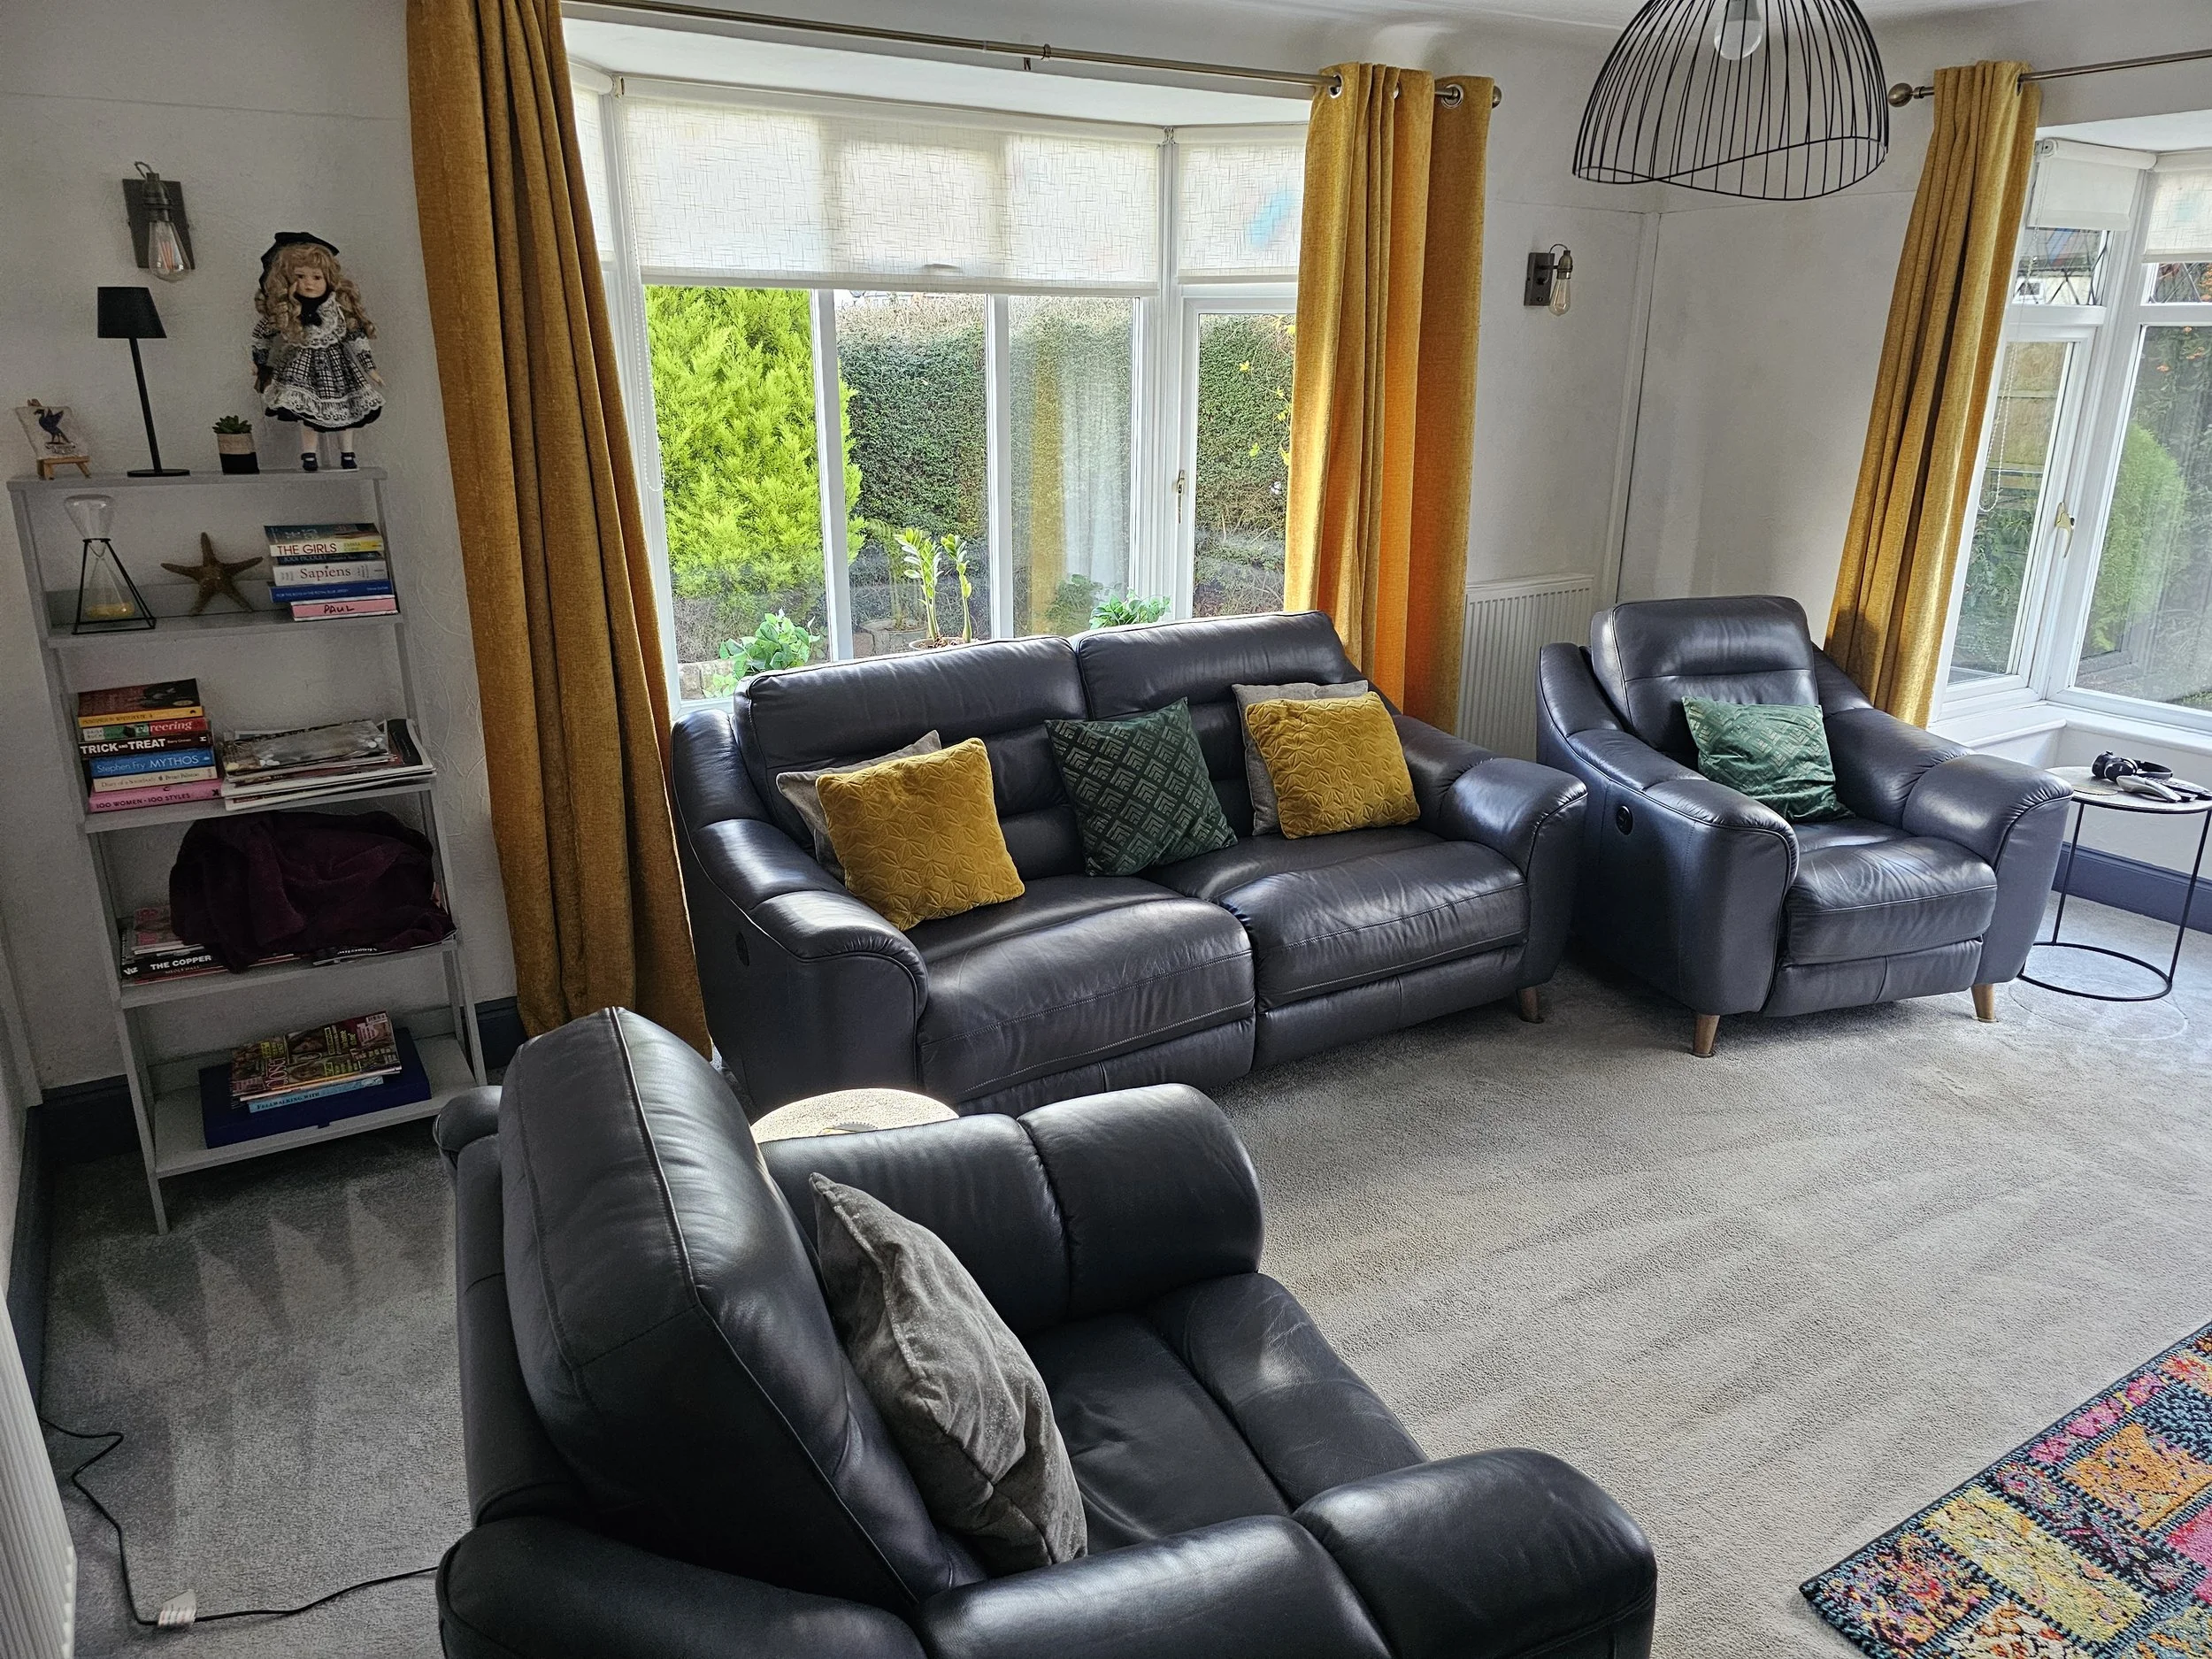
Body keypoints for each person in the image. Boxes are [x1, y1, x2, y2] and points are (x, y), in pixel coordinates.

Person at [250, 232, 383, 471]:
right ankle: (309, 455)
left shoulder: (338, 310)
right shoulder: (287, 311)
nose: (309, 283)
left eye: (316, 277)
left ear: (329, 279)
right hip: (301, 370)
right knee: (307, 414)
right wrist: (260, 364)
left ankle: (348, 454)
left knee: (347, 410)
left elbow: (356, 337)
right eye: (300, 276)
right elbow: (262, 336)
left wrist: (370, 368)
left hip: (338, 369)